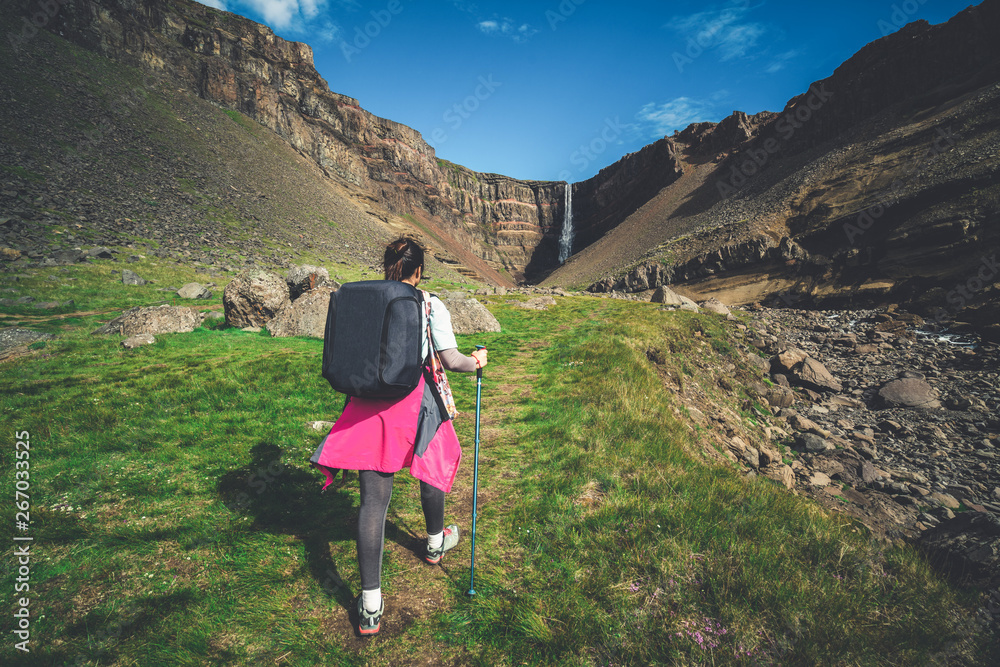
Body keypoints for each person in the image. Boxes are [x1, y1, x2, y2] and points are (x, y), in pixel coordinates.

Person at [310, 237, 488, 637]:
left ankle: (370, 605)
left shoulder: (364, 298)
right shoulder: (429, 303)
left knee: (373, 501)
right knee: (431, 470)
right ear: (418, 270)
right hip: (413, 401)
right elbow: (449, 360)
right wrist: (477, 360)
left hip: (365, 405)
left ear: (387, 265)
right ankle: (434, 543)